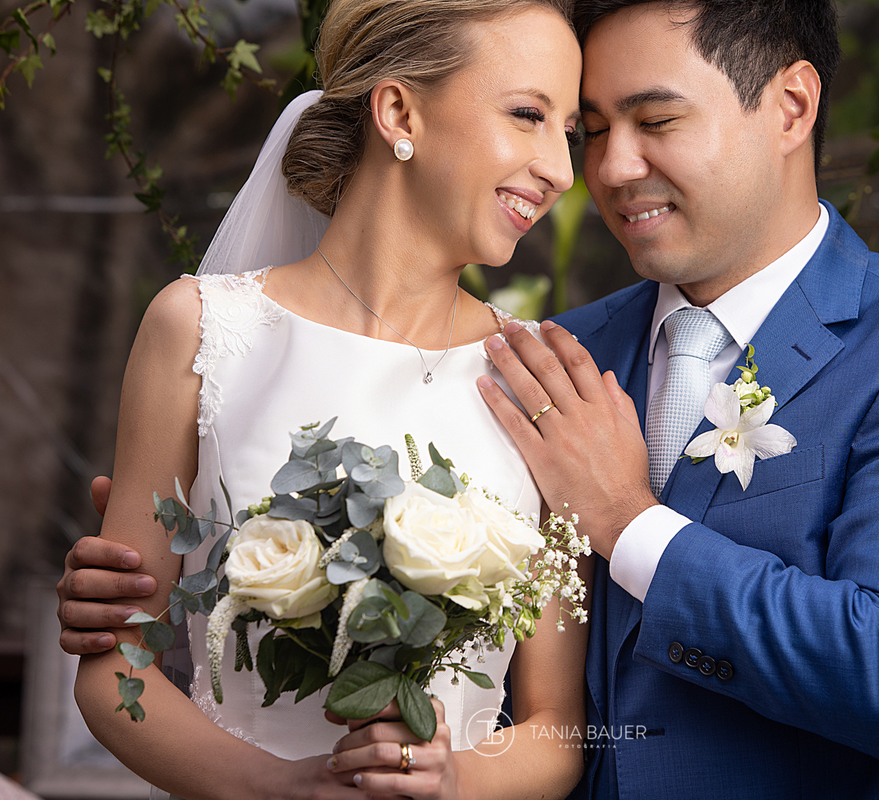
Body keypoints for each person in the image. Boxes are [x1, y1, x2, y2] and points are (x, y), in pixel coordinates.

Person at [61, 0, 879, 797]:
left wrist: (628, 521)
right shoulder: (556, 355)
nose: (603, 170)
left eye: (654, 120)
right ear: (399, 114)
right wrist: (202, 556)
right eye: (587, 126)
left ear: (792, 107)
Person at [67, 1, 592, 800]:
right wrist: (279, 787)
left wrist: (449, 777)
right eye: (527, 115)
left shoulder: (540, 378)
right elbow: (113, 668)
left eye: (569, 132)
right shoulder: (200, 329)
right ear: (397, 110)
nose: (559, 167)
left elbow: (557, 732)